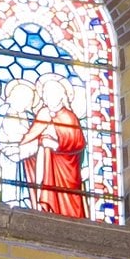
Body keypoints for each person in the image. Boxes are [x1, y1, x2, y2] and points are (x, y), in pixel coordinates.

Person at [17, 74, 89, 220]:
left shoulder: (69, 117)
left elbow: (77, 142)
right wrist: (35, 145)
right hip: (44, 164)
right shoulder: (43, 113)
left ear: (61, 95)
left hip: (66, 168)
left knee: (67, 200)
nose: (46, 98)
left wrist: (55, 144)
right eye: (44, 94)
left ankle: (72, 220)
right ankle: (40, 209)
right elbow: (30, 136)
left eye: (50, 94)